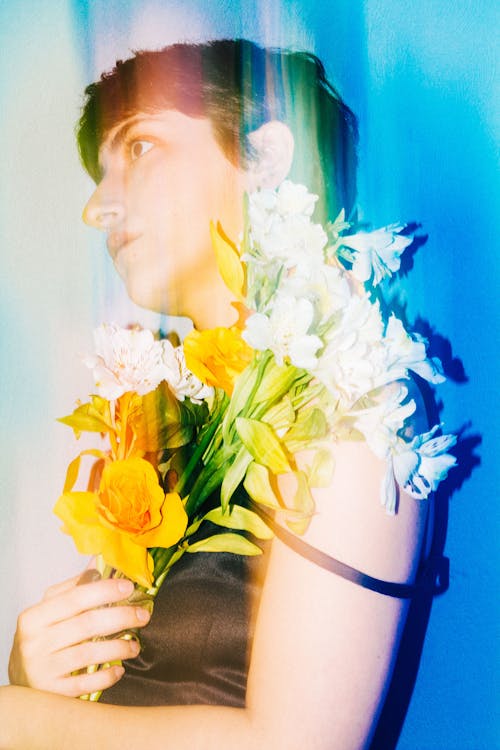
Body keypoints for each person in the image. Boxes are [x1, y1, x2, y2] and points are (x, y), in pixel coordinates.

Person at [1, 40, 431, 749]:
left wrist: (15, 722)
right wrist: (44, 672)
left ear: (264, 159)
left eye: (138, 147)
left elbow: (302, 743)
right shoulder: (162, 412)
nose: (96, 209)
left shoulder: (359, 398)